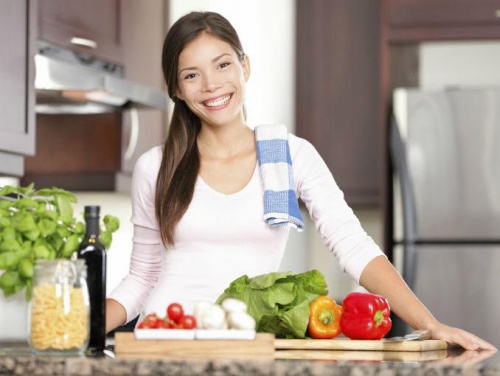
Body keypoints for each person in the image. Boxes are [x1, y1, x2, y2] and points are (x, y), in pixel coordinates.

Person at [105, 11, 496, 351]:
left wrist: (430, 323)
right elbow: (142, 278)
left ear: (245, 66)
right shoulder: (156, 166)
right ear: (176, 88)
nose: (211, 85)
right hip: (162, 345)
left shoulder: (290, 157)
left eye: (222, 65)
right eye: (192, 74)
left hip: (252, 347)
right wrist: (78, 327)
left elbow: (353, 245)